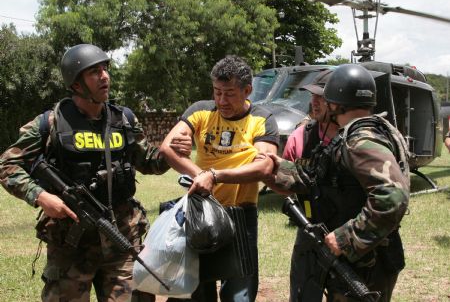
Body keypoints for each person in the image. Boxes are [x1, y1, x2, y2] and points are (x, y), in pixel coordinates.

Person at [0, 43, 191, 302]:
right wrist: (41, 196)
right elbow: (7, 164)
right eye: (94, 72)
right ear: (76, 84)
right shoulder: (50, 123)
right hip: (70, 244)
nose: (104, 77)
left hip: (122, 238)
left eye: (105, 69)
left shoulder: (123, 120)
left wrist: (172, 150)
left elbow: (149, 162)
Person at [269, 64, 410, 302]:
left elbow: (393, 197)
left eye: (325, 99)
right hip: (365, 259)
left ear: (336, 103)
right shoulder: (374, 129)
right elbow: (325, 179)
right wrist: (278, 169)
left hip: (365, 265)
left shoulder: (359, 141)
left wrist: (346, 238)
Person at [160, 55, 279, 302]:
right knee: (197, 293)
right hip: (200, 213)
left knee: (239, 296)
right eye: (217, 92)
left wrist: (215, 175)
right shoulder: (200, 111)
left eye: (230, 93)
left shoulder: (262, 119)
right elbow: (167, 149)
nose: (222, 100)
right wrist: (201, 175)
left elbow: (265, 168)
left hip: (241, 215)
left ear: (248, 90)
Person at [281, 69, 340, 302]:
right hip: (310, 231)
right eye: (312, 96)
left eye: (321, 97)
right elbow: (284, 182)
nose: (314, 102)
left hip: (346, 235)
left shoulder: (358, 137)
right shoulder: (300, 137)